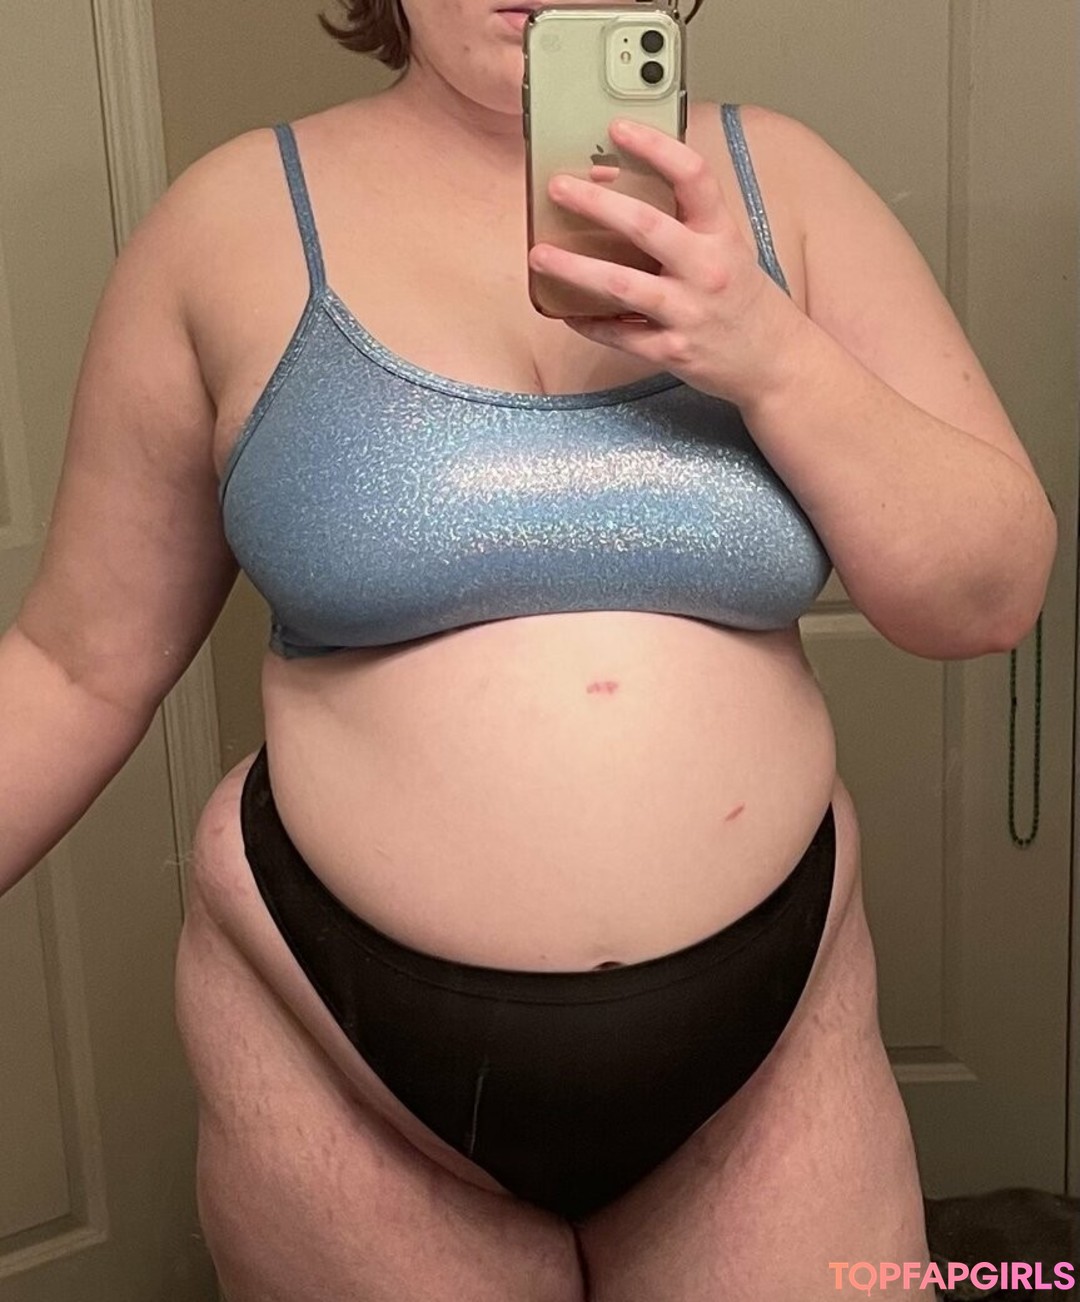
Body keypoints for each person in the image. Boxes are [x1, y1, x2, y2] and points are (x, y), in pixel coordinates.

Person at [0, 0, 1057, 1297]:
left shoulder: (786, 187)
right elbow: (74, 666)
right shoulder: (225, 224)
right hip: (335, 1048)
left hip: (772, 1040)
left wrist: (772, 357)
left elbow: (986, 595)